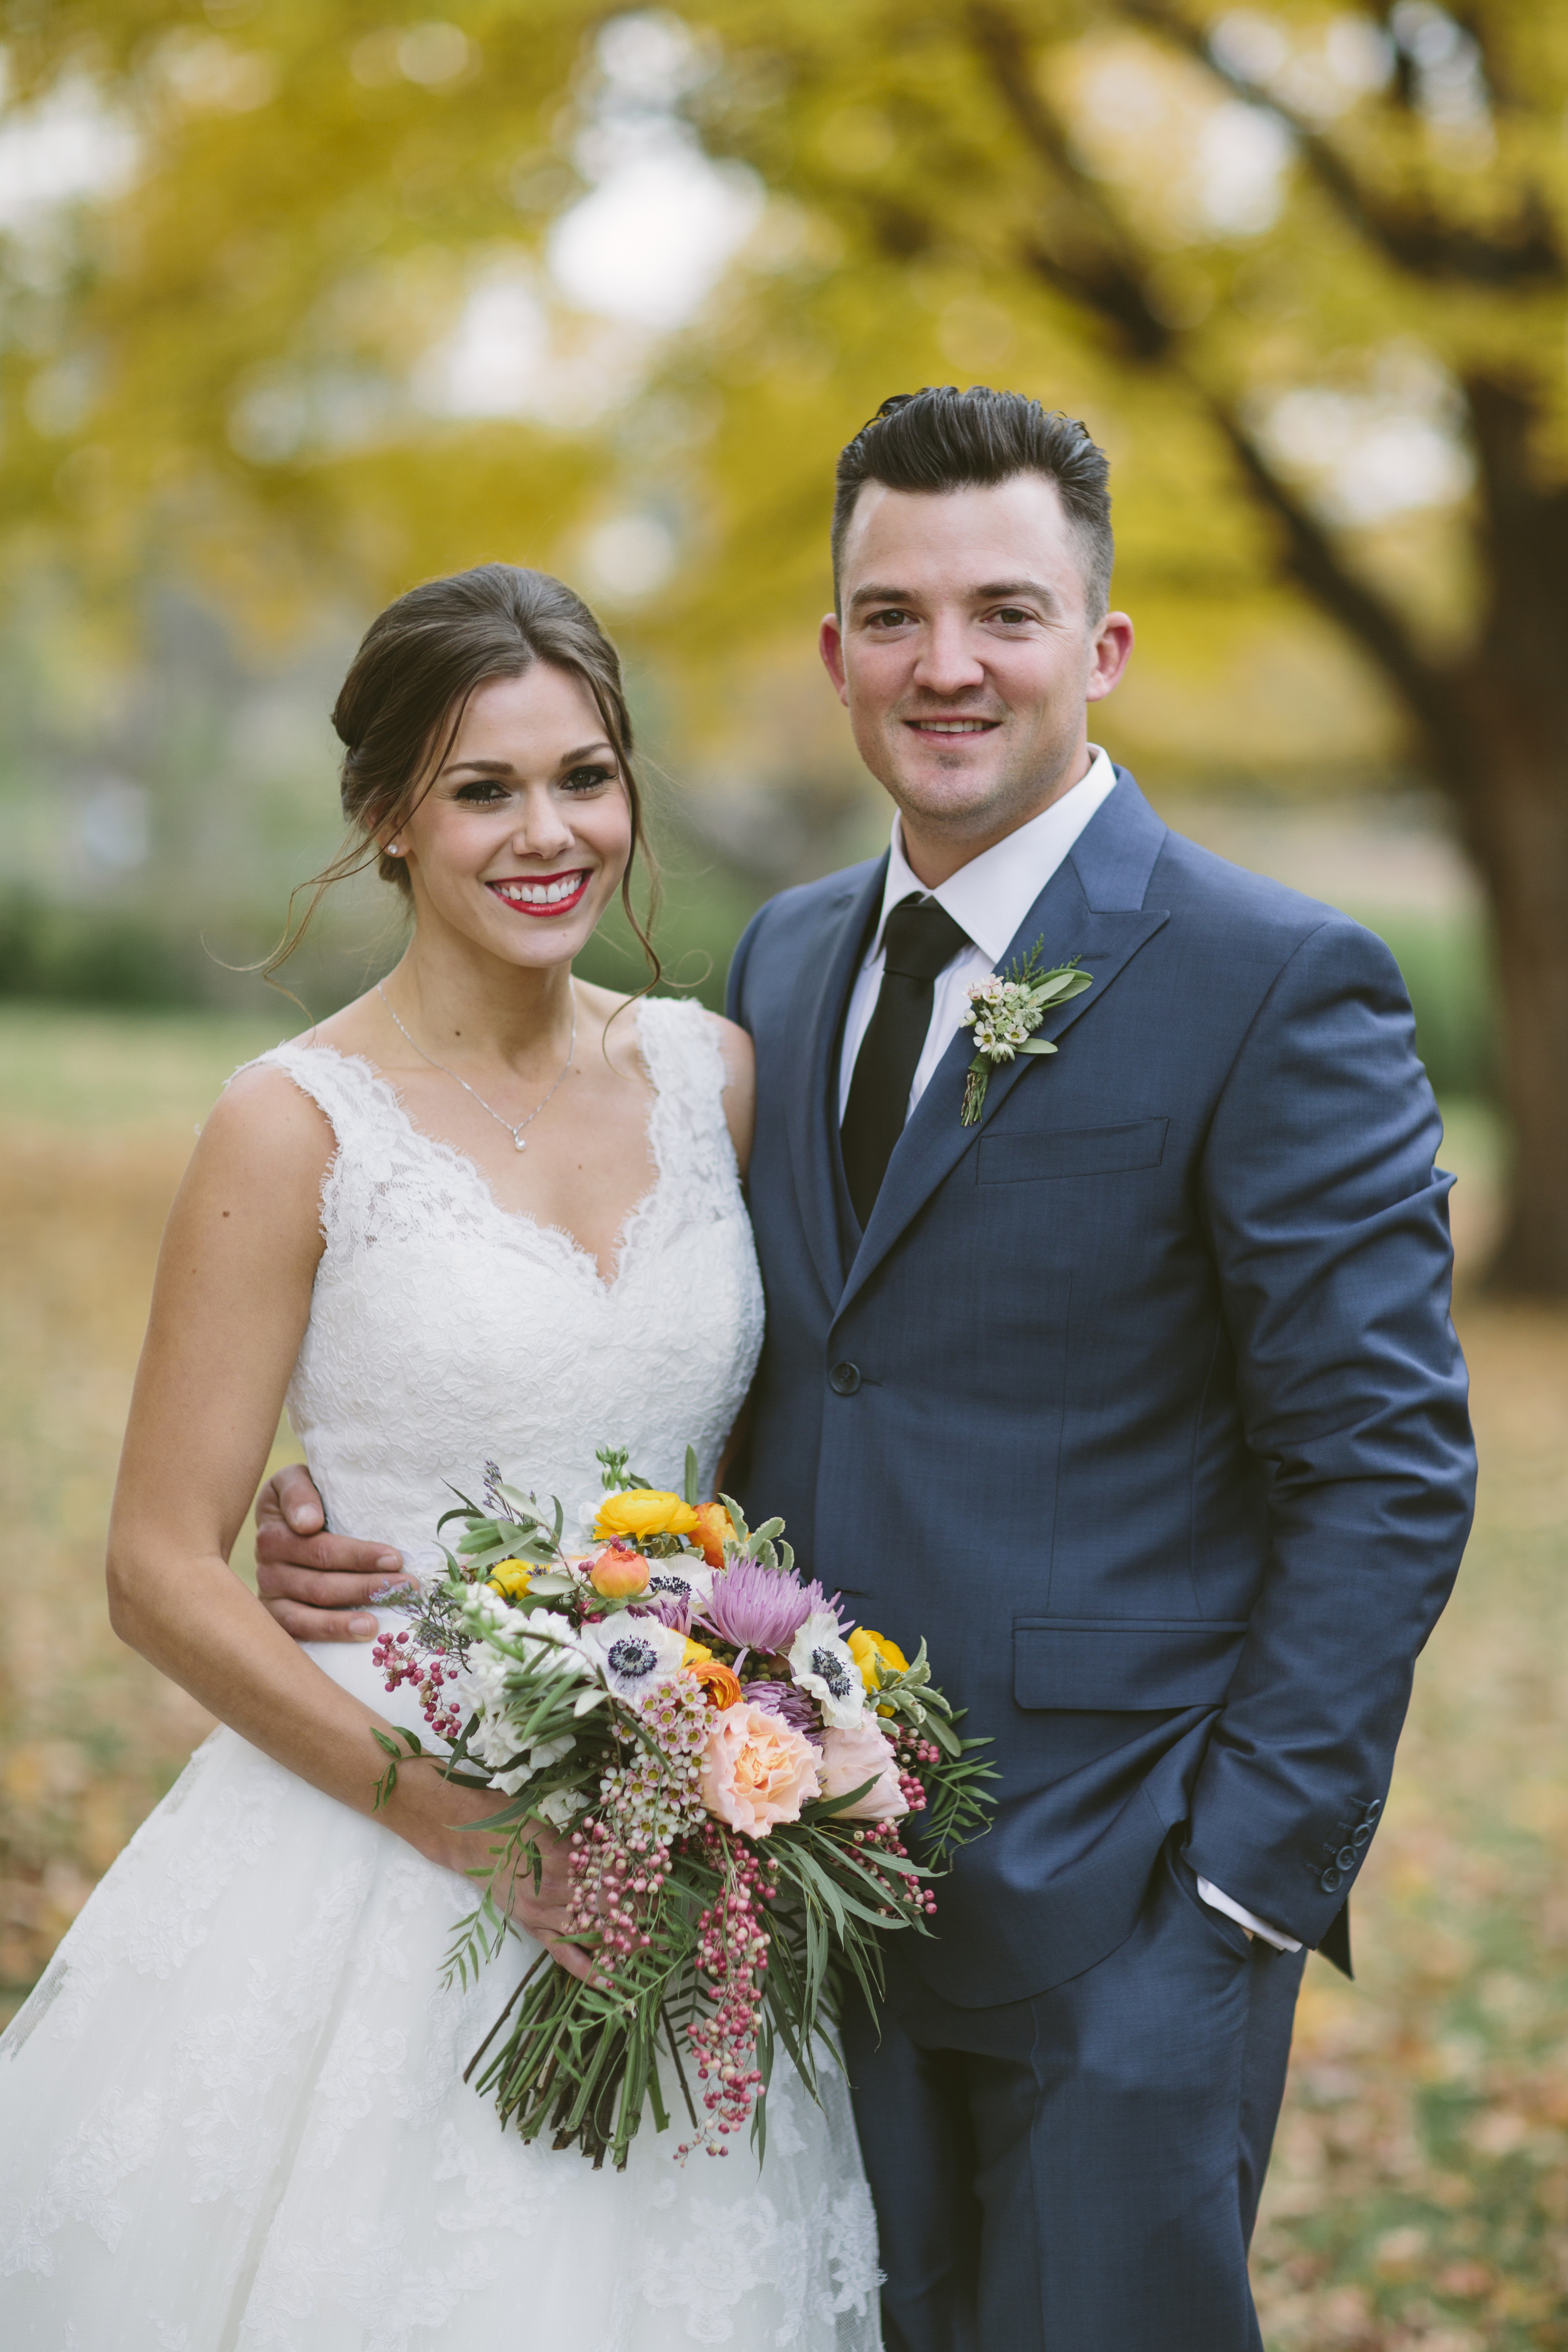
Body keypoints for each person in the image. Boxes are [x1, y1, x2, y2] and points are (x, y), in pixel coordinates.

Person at [254, 389, 1477, 2351]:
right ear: (832, 654)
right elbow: (720, 1376)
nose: (946, 665)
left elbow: (1387, 1471)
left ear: (1101, 643)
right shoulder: (784, 968)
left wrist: (1236, 1899)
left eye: (1004, 610)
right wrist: (376, 1539)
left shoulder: (1274, 978)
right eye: (891, 617)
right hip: (785, 1892)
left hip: (1123, 1904)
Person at [0, 564, 882, 2350]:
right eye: (485, 789)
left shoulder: (712, 1074)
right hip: (372, 1833)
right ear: (387, 814)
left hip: (676, 1835)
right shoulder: (294, 1122)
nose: (548, 833)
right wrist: (474, 1831)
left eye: (586, 776)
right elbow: (157, 1570)